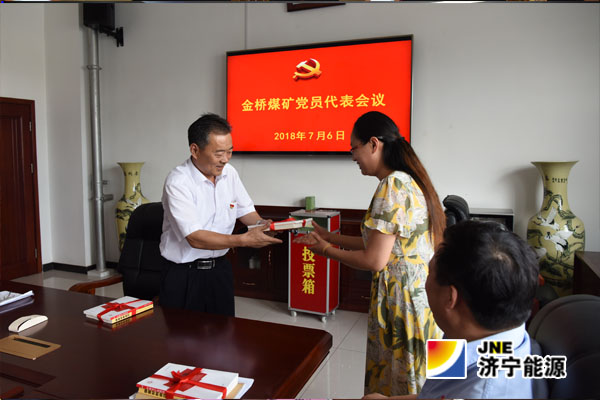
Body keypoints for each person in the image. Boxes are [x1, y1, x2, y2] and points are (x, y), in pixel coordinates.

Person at [295, 111, 446, 396]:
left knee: (401, 381)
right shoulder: (410, 181)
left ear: (374, 144)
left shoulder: (391, 185)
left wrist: (326, 250)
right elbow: (379, 244)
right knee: (423, 379)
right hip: (421, 295)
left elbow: (374, 260)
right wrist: (329, 236)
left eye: (354, 148)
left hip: (401, 302)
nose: (353, 156)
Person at [364, 220, 540, 399]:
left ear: (450, 297)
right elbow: (432, 394)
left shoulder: (482, 393)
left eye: (428, 273)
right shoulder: (472, 333)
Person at [159, 113, 282, 316]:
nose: (225, 159)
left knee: (224, 331)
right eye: (218, 153)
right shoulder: (178, 182)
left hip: (220, 270)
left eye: (230, 151)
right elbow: (195, 238)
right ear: (195, 150)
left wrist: (263, 225)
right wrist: (243, 240)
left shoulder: (229, 173)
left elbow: (246, 211)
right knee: (182, 334)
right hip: (184, 275)